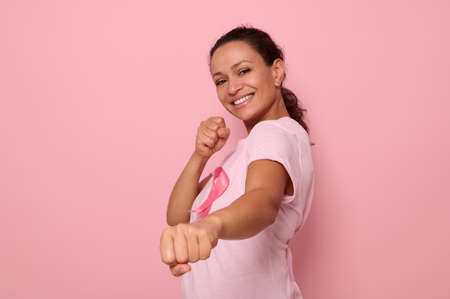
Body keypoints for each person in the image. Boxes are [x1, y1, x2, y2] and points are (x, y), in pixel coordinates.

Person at [160, 25, 315, 299]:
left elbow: (263, 201)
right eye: (220, 80)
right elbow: (178, 219)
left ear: (276, 71)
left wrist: (212, 226)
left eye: (243, 71)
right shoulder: (243, 155)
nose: (232, 87)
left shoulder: (275, 132)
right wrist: (200, 155)